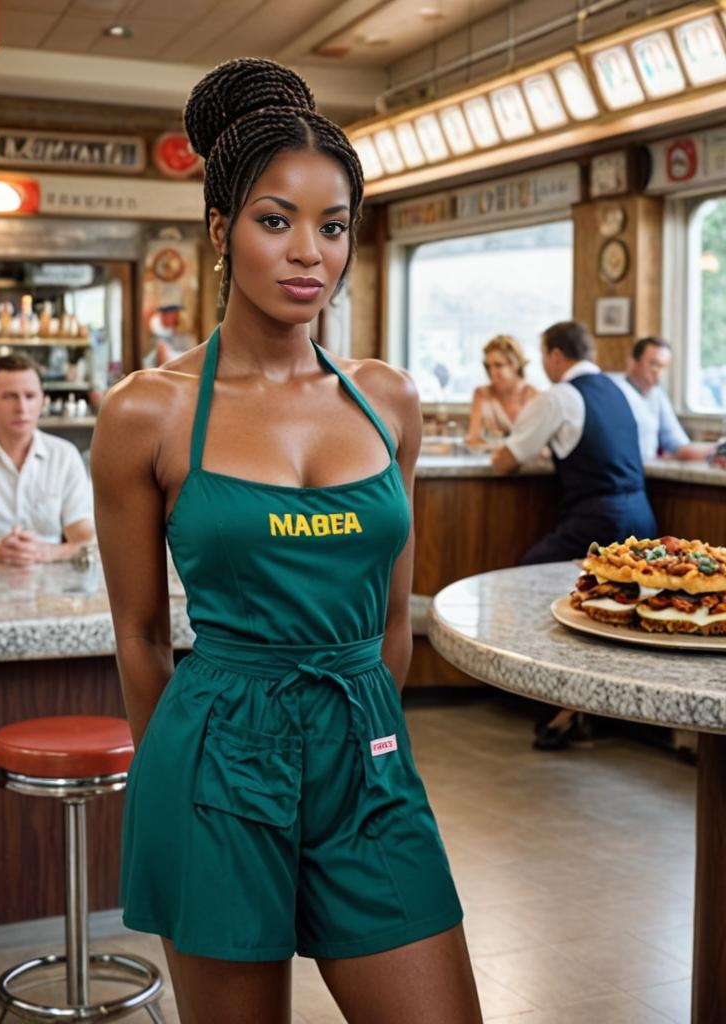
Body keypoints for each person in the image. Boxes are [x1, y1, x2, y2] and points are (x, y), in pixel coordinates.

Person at [91, 58, 482, 1024]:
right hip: (215, 758)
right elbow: (140, 636)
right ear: (223, 232)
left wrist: (368, 739)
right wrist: (181, 786)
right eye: (276, 221)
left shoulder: (387, 399)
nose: (310, 252)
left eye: (333, 225)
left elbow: (395, 614)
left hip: (368, 756)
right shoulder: (148, 413)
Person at [493, 321, 657, 751]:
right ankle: (589, 707)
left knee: (527, 581)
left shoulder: (560, 396)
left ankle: (554, 703)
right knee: (611, 610)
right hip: (641, 514)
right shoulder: (622, 392)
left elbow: (505, 461)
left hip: (597, 520)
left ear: (556, 356)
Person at [0, 353, 94, 566]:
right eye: (10, 397)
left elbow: (87, 539)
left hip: (51, 590)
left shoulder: (64, 456)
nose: (21, 408)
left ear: (42, 400)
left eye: (30, 396)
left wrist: (48, 552)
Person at [610, 336, 713, 462]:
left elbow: (679, 444)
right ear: (633, 361)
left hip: (647, 472)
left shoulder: (657, 395)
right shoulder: (611, 387)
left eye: (663, 367)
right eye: (654, 364)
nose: (659, 372)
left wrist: (718, 449)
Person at [465, 335, 538, 445]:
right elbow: (472, 439)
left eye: (498, 365)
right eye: (488, 366)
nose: (492, 372)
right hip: (492, 460)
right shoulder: (482, 394)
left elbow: (538, 441)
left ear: (515, 364)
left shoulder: (532, 395)